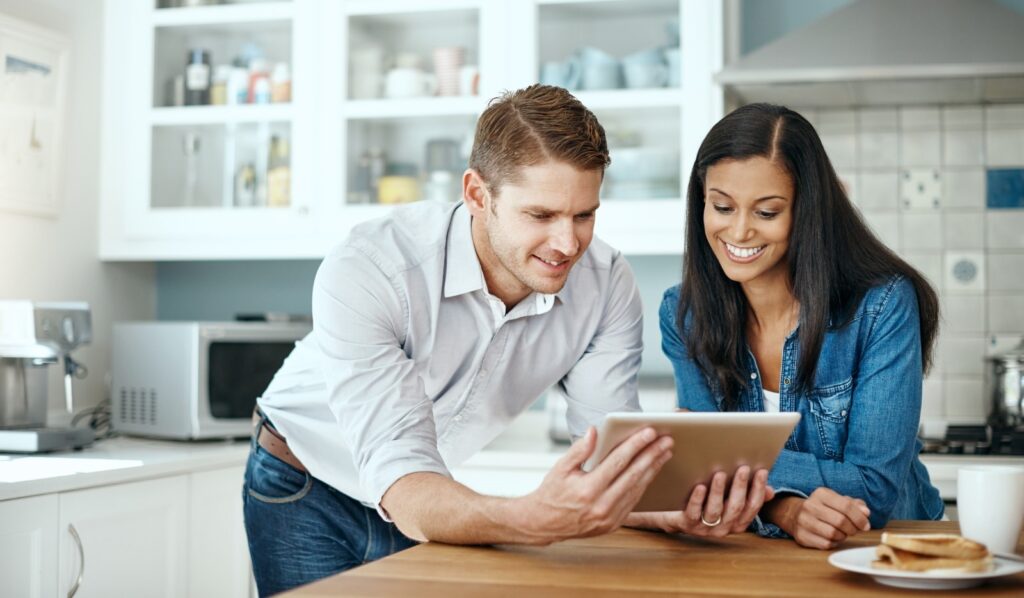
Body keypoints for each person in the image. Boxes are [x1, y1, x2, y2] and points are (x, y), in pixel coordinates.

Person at [243, 85, 773, 596]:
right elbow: (402, 479)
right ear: (478, 194)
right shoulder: (374, 269)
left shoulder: (606, 282)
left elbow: (603, 450)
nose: (568, 244)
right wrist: (529, 519)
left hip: (433, 493)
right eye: (540, 215)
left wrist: (666, 511)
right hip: (306, 481)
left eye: (584, 215)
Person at [660, 102, 945, 551]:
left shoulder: (882, 305)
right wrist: (786, 510)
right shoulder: (685, 313)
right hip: (763, 557)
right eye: (721, 206)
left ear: (807, 212)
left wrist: (721, 453)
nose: (738, 231)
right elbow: (704, 490)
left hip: (895, 553)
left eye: (767, 212)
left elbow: (873, 489)